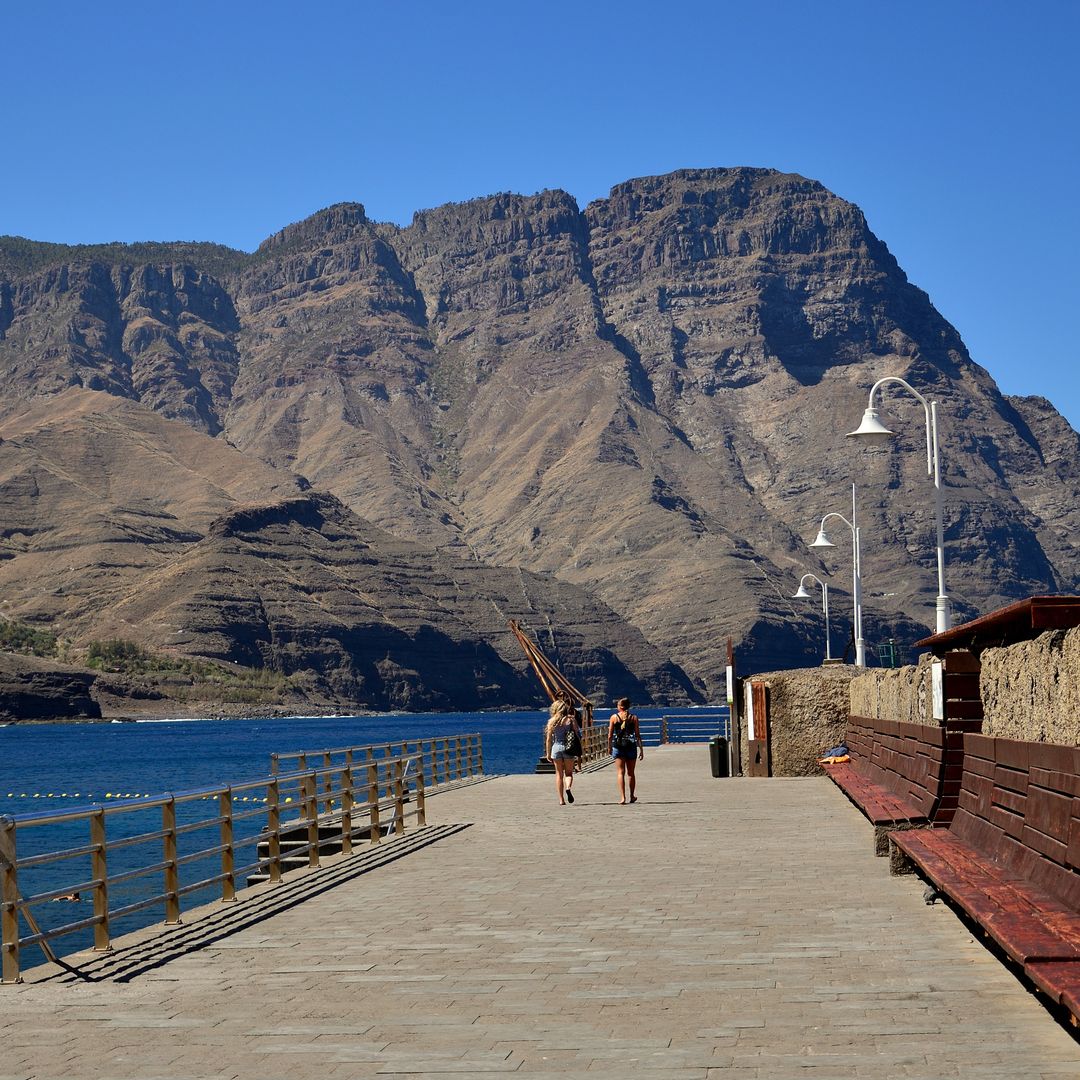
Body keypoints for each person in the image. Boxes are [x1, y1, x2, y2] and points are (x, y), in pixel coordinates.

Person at [545, 700, 581, 805]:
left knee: (559, 774)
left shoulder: (552, 721)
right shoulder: (571, 719)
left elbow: (548, 739)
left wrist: (548, 754)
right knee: (568, 773)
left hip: (556, 748)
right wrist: (579, 749)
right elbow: (577, 734)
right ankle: (568, 788)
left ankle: (561, 800)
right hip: (568, 748)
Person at [608, 697, 643, 804]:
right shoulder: (634, 718)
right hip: (631, 746)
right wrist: (641, 749)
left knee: (620, 772)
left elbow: (610, 735)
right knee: (631, 773)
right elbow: (637, 735)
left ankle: (622, 797)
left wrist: (609, 747)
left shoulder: (614, 717)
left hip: (618, 746)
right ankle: (632, 796)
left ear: (619, 707)